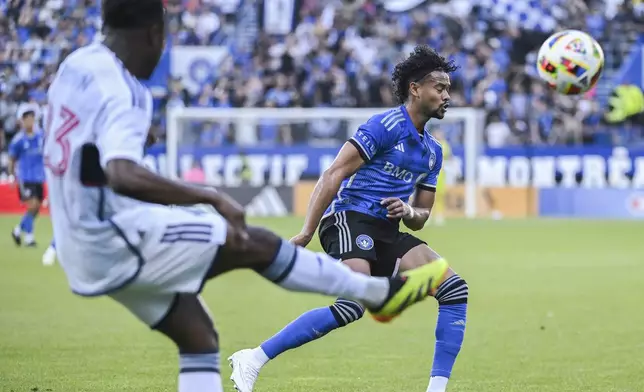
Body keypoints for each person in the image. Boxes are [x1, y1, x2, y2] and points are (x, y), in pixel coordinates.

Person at [43, 2, 450, 392]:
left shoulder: (74, 67)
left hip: (76, 238)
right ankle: (379, 293)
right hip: (111, 237)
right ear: (153, 33)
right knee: (252, 243)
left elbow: (87, 157)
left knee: (197, 333)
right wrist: (211, 197)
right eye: (164, 38)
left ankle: (264, 352)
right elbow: (121, 173)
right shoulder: (127, 91)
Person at [229, 45, 468, 392]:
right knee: (353, 304)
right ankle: (252, 358)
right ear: (415, 89)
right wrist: (307, 231)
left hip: (388, 228)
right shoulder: (384, 126)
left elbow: (422, 216)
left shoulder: (432, 152)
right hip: (348, 219)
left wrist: (409, 211)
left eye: (448, 89)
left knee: (453, 288)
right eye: (440, 88)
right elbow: (333, 174)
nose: (447, 96)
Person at [9, 103, 46, 247]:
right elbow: (12, 159)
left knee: (36, 208)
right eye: (27, 118)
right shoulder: (18, 140)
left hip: (39, 177)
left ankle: (18, 230)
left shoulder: (41, 137)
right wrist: (12, 176)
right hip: (25, 177)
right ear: (22, 121)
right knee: (32, 205)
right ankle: (29, 237)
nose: (30, 121)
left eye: (32, 118)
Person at [430, 128, 451, 225]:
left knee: (440, 195)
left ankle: (439, 215)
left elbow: (446, 155)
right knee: (428, 195)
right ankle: (428, 215)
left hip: (441, 173)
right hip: (429, 173)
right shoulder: (429, 143)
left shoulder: (444, 144)